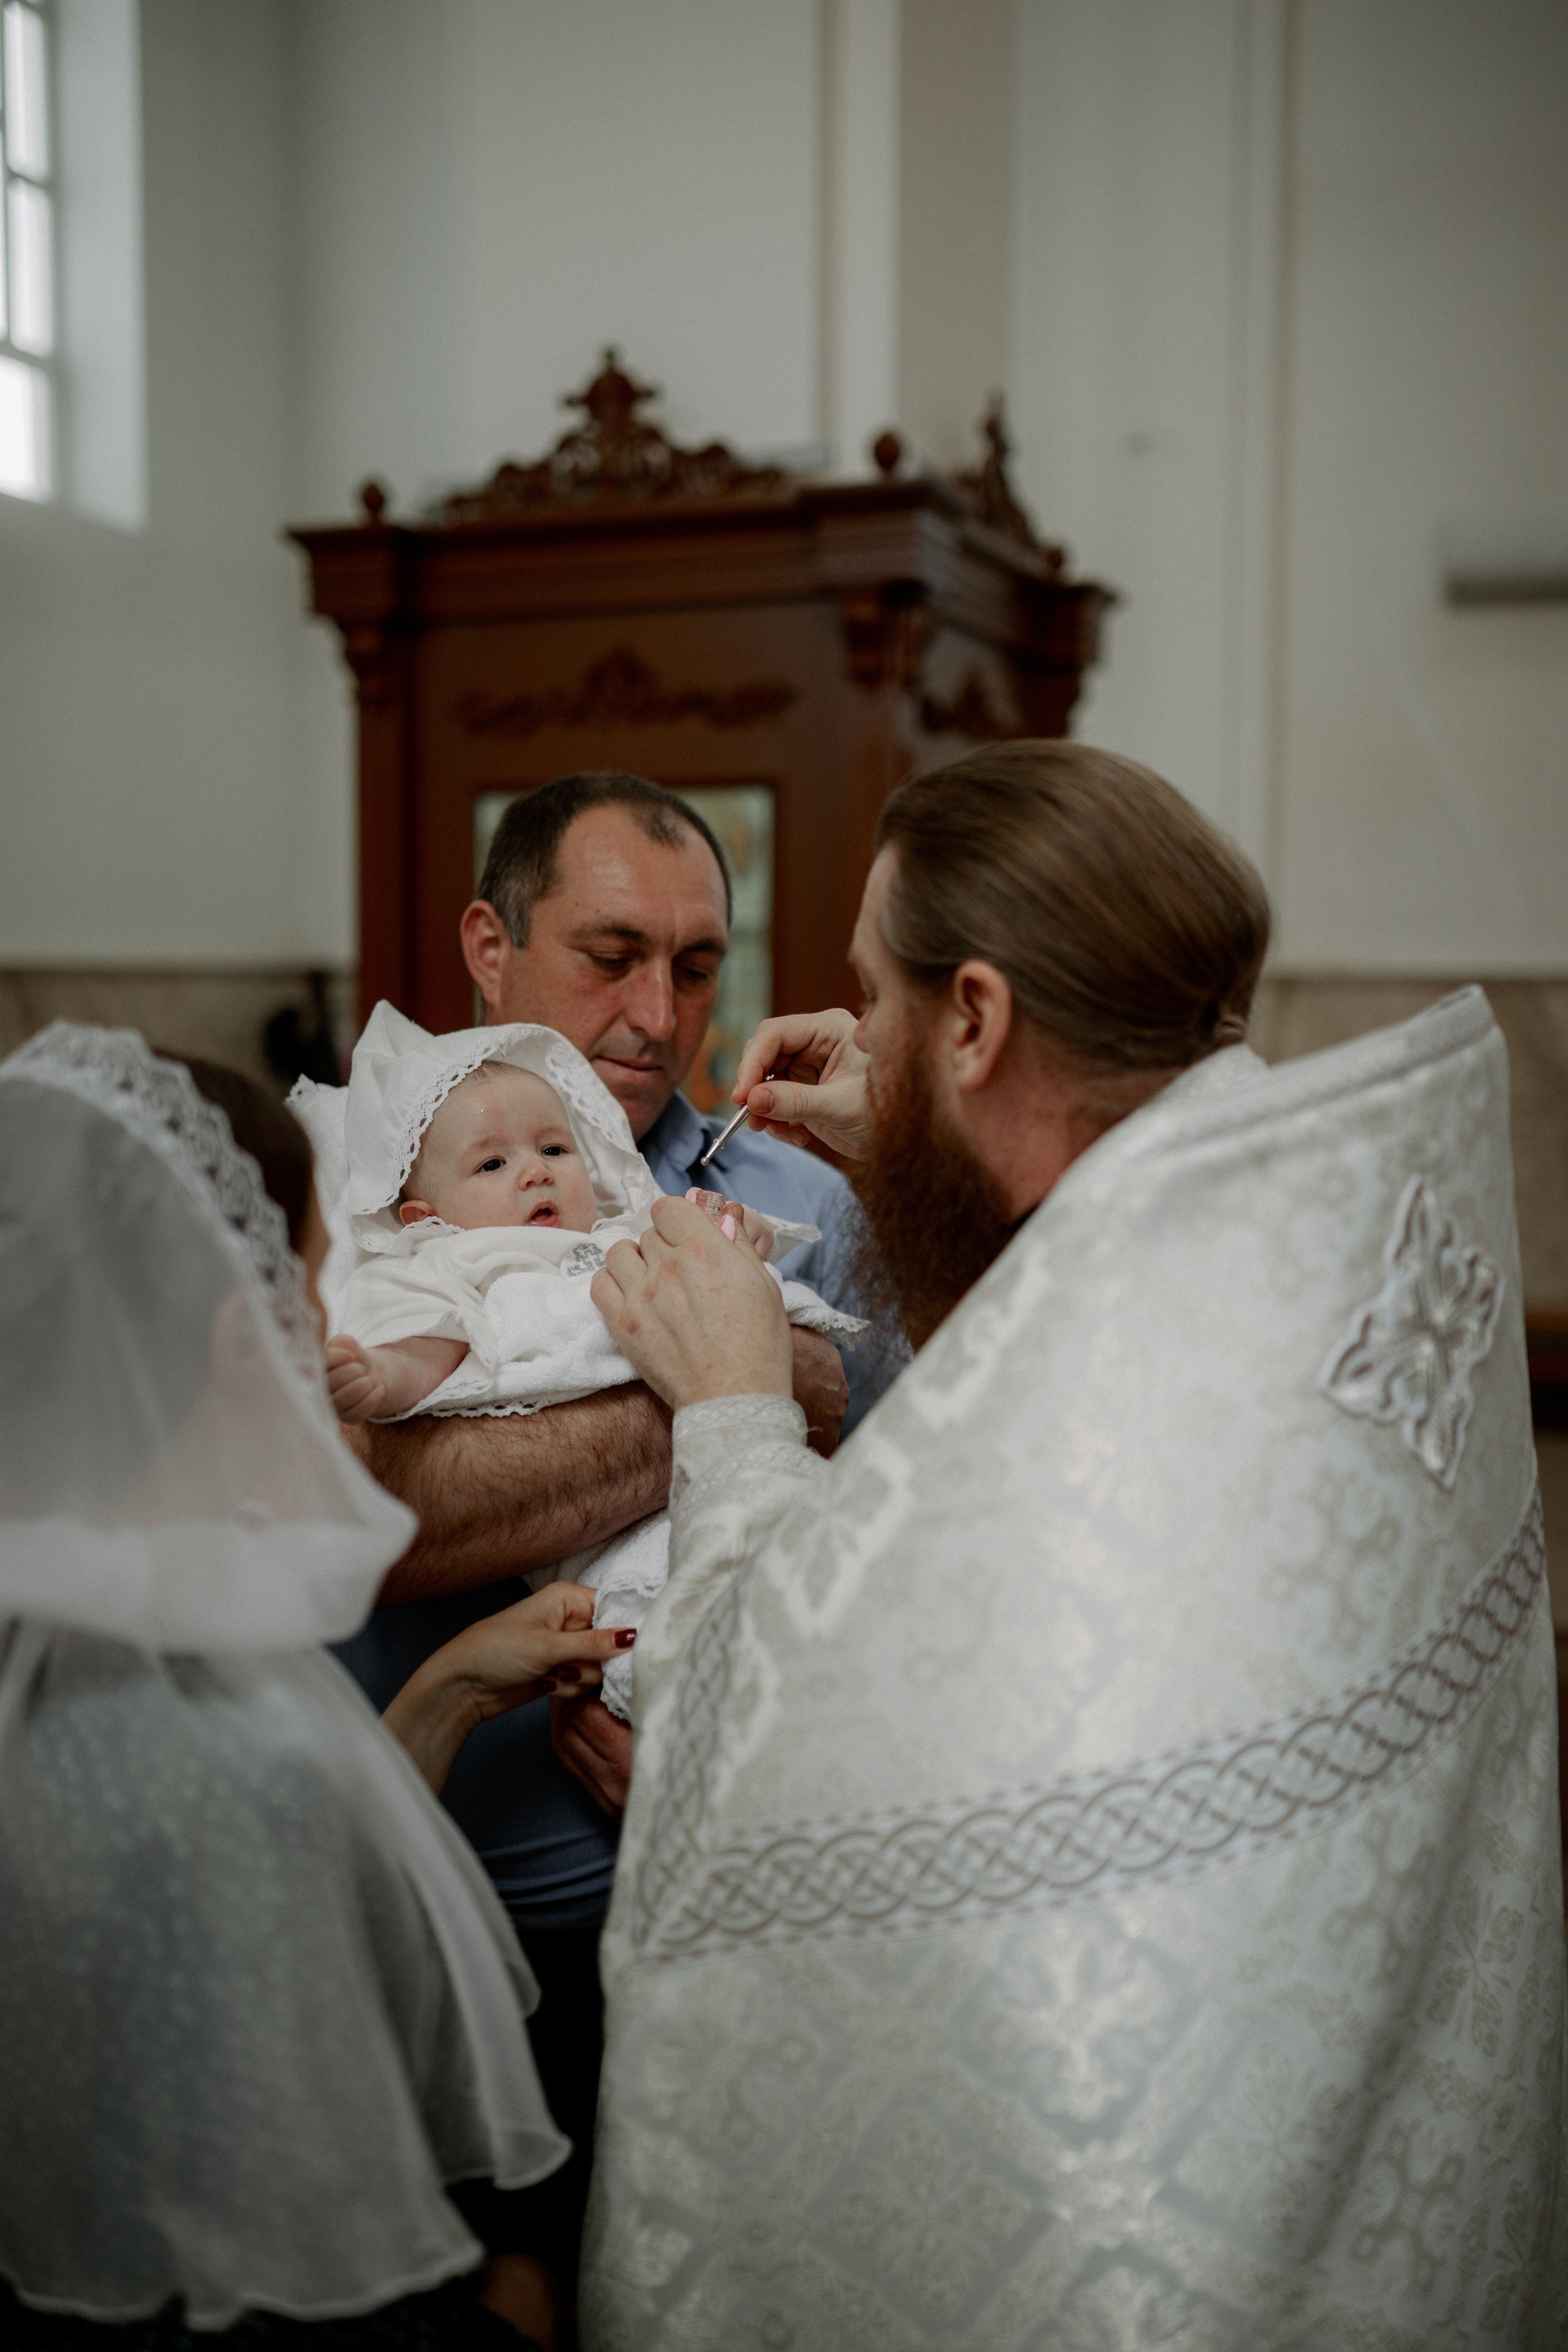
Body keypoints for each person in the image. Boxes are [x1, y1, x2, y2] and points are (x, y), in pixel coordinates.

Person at [578, 741, 1566, 2348]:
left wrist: (737, 1408)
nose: (859, 1039)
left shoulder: (1102, 1393)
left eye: (879, 1003)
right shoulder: (1317, 1226)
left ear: (975, 1019)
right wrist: (929, 1137)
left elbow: (766, 1737)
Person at [294, 771, 899, 2298]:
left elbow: (884, 1501)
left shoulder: (799, 1191)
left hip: (728, 1920)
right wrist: (729, 1384)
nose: (654, 1013)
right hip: (441, 1911)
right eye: (609, 955)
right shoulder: (359, 1185)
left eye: (694, 967)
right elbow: (366, 1514)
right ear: (489, 947)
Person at [0, 1025, 628, 2350]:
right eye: (314, 1285)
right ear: (249, 1337)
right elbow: (316, 2262)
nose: (331, 1331)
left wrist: (451, 1689)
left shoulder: (80, 1612)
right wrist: (525, 2292)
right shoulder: (223, 1765)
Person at [323, 1004, 861, 1724]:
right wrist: (383, 1376)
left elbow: (721, 1273)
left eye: (554, 1149)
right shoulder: (455, 1260)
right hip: (600, 1534)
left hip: (730, 1469)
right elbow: (434, 1343)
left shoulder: (620, 1232)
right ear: (427, 1218)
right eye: (492, 1163)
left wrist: (734, 1232)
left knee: (820, 1574)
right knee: (661, 1612)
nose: (534, 1174)